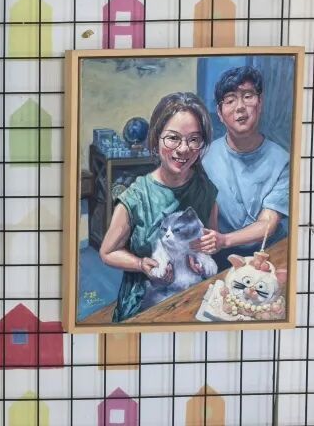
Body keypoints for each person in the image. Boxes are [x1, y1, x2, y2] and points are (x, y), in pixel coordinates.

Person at [99, 92, 219, 322]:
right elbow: (107, 252)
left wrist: (203, 255)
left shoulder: (205, 190)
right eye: (173, 138)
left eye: (194, 139)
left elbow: (210, 243)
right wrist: (140, 264)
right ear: (155, 140)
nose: (183, 149)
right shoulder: (136, 196)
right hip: (145, 303)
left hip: (193, 297)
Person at [197, 66, 290, 270]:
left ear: (260, 102)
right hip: (221, 259)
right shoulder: (203, 158)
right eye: (230, 100)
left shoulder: (282, 161)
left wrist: (224, 240)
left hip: (269, 254)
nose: (240, 107)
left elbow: (268, 223)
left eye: (248, 96)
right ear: (220, 113)